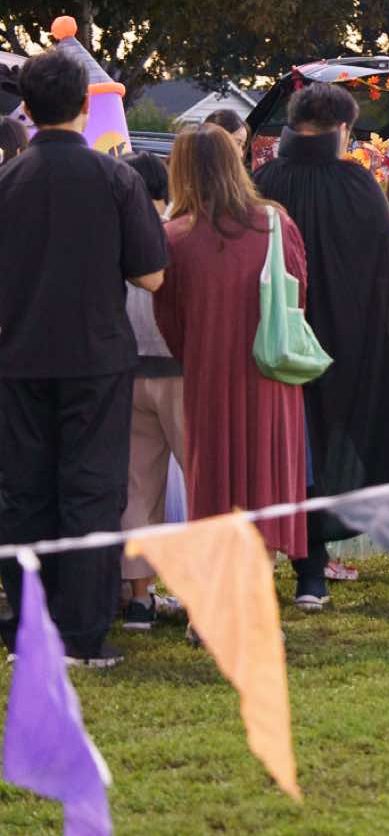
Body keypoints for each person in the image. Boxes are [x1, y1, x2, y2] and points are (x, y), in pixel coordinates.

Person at [0, 51, 168, 667]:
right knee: (92, 489)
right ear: (83, 105)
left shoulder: (6, 182)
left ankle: (30, 626)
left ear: (27, 107)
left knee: (24, 492)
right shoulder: (117, 179)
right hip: (96, 357)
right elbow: (151, 275)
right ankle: (82, 634)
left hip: (18, 357)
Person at [252, 81, 389, 610]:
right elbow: (386, 267)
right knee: (373, 440)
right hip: (354, 342)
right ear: (344, 128)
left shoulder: (264, 181)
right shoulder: (356, 183)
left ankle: (310, 576)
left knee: (298, 452)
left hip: (281, 342)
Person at [155, 126, 309, 570]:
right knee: (266, 478)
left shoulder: (175, 238)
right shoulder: (276, 225)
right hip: (271, 369)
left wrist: (197, 353)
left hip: (209, 373)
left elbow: (170, 320)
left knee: (214, 479)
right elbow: (298, 296)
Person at [117, 152, 185, 630]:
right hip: (179, 372)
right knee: (202, 483)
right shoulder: (178, 236)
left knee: (137, 487)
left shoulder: (111, 237)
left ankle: (139, 598)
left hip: (128, 374)